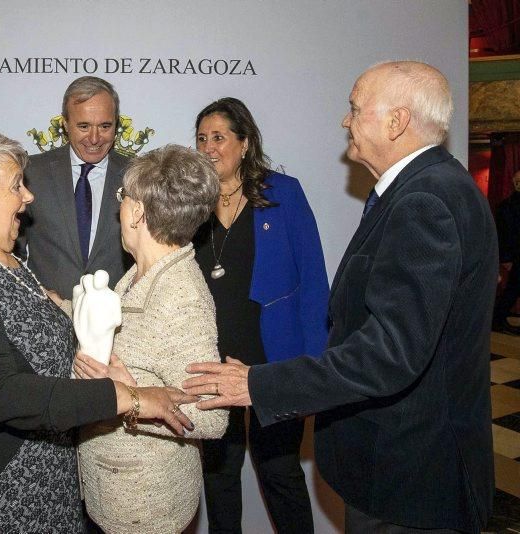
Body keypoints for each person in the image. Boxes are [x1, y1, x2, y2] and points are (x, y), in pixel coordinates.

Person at [184, 61, 496, 533]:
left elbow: (389, 352)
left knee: (280, 476)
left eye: (354, 108)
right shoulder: (417, 191)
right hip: (396, 464)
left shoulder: (424, 203)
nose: (345, 121)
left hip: (409, 474)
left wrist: (262, 385)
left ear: (396, 122)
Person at [0, 127, 197, 533]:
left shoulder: (5, 259)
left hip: (48, 482)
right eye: (16, 185)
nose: (28, 196)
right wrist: (127, 397)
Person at [72, 144, 229, 534]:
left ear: (138, 211)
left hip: (145, 505)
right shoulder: (139, 274)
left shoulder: (180, 296)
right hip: (117, 490)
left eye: (122, 197)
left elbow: (213, 417)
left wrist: (132, 398)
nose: (119, 207)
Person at [192, 97, 329, 534]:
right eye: (201, 138)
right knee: (218, 477)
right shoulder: (192, 203)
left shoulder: (282, 194)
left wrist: (313, 367)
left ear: (245, 142)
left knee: (280, 473)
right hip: (212, 361)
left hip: (274, 362)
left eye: (219, 137)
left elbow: (313, 281)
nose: (209, 147)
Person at [20, 75, 131, 299]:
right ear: (65, 125)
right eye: (83, 126)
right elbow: (8, 251)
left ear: (116, 124)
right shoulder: (31, 172)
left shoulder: (138, 175)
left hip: (119, 321)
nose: (94, 138)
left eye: (105, 126)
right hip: (47, 317)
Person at [493, 170, 520, 334]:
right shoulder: (506, 206)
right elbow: (504, 234)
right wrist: (506, 258)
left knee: (513, 289)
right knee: (512, 289)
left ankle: (498, 319)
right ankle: (498, 319)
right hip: (515, 255)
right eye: (517, 181)